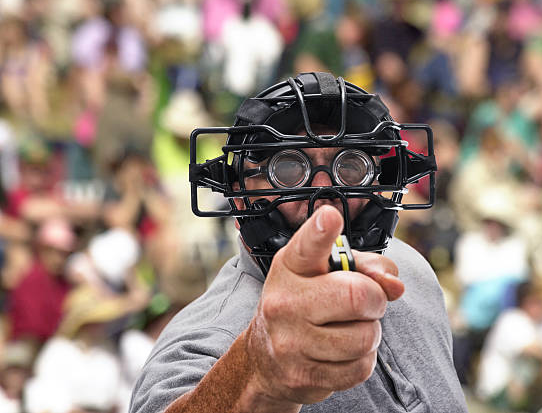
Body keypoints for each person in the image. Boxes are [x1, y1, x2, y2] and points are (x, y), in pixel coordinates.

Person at [129, 72, 468, 412]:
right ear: (239, 193)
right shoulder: (204, 340)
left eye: (351, 165)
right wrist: (256, 374)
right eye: (289, 170)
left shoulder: (410, 270)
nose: (325, 196)